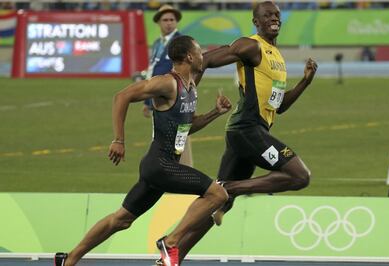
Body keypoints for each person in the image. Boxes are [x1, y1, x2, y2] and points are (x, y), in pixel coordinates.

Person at [54, 35, 232, 266]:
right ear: (189, 56)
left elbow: (186, 128)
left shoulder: (191, 88)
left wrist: (215, 112)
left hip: (161, 167)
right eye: (199, 51)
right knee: (218, 194)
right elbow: (122, 96)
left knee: (121, 219)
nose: (202, 55)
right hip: (160, 165)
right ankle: (171, 242)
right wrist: (119, 139)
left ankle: (68, 260)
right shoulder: (167, 83)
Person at [176, 1, 318, 263]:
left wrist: (305, 82)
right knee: (299, 176)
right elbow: (204, 61)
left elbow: (278, 106)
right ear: (256, 22)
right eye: (267, 15)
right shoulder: (250, 45)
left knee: (216, 201)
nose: (274, 18)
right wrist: (187, 100)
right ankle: (231, 187)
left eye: (276, 14)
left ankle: (172, 253)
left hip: (251, 132)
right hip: (246, 130)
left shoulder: (277, 56)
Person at [142, 4, 194, 167]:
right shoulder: (158, 43)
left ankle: (184, 176)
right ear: (158, 22)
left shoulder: (181, 43)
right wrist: (147, 102)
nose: (169, 23)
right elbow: (153, 71)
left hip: (176, 99)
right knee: (161, 141)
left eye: (172, 19)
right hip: (159, 99)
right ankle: (166, 175)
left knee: (179, 143)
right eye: (165, 20)